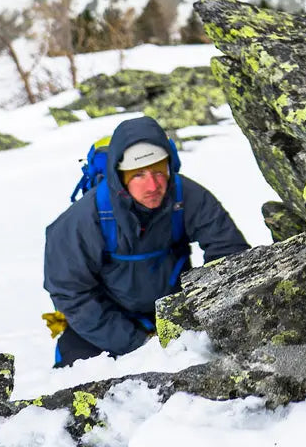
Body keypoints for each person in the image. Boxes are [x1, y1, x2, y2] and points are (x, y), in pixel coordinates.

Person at [44, 115, 249, 367]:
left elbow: (230, 253)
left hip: (173, 310)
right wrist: (137, 343)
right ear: (120, 177)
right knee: (79, 383)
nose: (153, 185)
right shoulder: (84, 220)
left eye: (159, 171)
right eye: (138, 174)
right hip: (107, 320)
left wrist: (204, 308)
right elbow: (70, 292)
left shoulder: (187, 197)